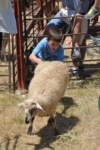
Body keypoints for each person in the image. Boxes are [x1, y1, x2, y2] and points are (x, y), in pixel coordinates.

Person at [40, 0, 90, 77]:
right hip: (66, 10)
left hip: (81, 13)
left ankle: (77, 67)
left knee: (80, 38)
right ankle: (38, 52)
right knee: (47, 30)